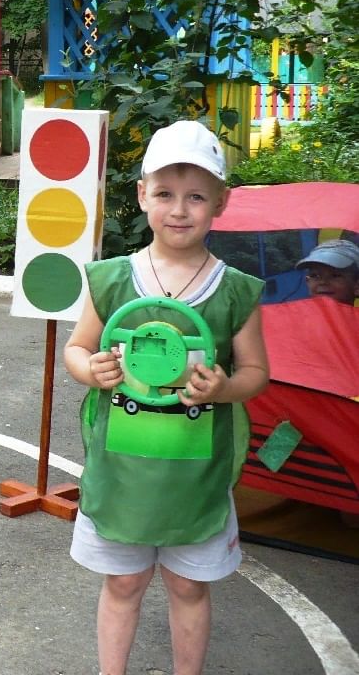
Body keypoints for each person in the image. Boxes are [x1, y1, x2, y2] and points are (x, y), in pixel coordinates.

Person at [62, 119, 270, 675]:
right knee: (123, 581)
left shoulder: (234, 290)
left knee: (188, 586)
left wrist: (226, 386)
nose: (179, 209)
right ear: (142, 195)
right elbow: (77, 350)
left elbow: (256, 374)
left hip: (196, 477)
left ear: (220, 202)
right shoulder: (111, 279)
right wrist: (93, 370)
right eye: (165, 194)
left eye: (196, 196)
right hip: (122, 472)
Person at [295, 238, 359, 305]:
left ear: (357, 286)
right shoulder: (292, 314)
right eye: (315, 276)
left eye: (335, 275)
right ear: (307, 281)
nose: (323, 282)